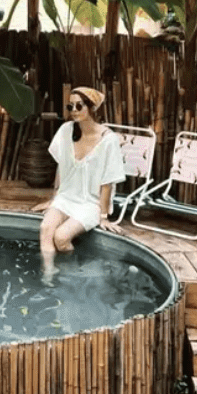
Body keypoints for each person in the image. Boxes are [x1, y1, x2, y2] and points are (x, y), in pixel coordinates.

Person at [32, 87, 125, 281]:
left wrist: (104, 216)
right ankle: (48, 275)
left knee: (61, 237)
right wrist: (54, 199)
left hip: (91, 203)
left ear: (92, 108)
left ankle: (72, 273)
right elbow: (61, 167)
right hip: (66, 198)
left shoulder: (108, 140)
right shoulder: (66, 131)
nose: (73, 110)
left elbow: (107, 183)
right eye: (70, 106)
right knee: (45, 229)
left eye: (79, 105)